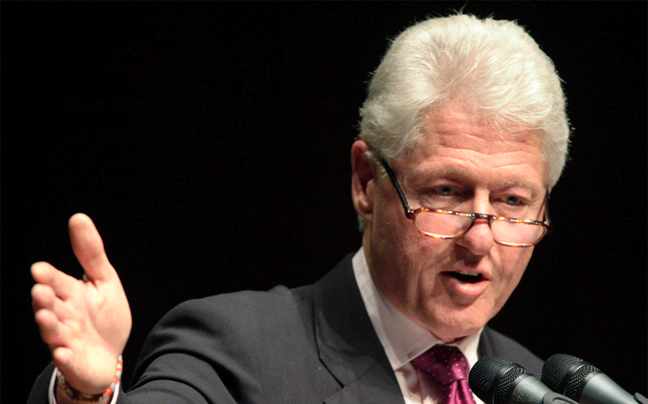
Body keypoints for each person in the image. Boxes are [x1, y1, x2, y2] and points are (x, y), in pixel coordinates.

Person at [28, 13, 569, 404]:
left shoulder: (541, 389)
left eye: (512, 201)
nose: (480, 239)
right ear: (366, 182)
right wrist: (88, 395)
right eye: (446, 193)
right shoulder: (239, 348)